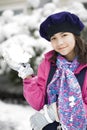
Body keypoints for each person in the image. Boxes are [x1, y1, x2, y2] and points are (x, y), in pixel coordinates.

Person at [1, 11, 87, 130]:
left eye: (64, 35)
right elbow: (39, 103)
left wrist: (54, 112)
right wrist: (27, 76)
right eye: (54, 38)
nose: (59, 42)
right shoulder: (48, 64)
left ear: (75, 35)